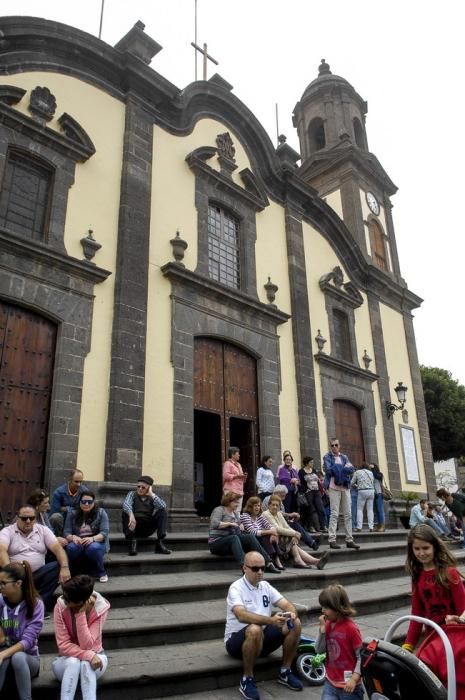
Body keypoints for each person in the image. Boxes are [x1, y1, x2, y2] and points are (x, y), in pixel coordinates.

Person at [224, 550, 303, 700]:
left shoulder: (265, 586)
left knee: (296, 623)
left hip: (262, 637)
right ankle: (247, 679)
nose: (260, 572)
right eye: (255, 569)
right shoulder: (236, 588)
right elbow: (241, 615)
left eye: (263, 568)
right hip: (236, 642)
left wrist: (291, 613)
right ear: (244, 568)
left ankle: (285, 671)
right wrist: (271, 620)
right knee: (254, 628)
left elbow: (286, 604)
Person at [402, 523, 465, 651]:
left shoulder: (449, 572)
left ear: (434, 547)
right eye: (417, 549)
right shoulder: (417, 576)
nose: (421, 553)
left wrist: (459, 621)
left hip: (455, 638)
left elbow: (463, 608)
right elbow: (416, 613)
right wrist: (408, 645)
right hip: (433, 638)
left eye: (426, 548)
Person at [0, 505, 70, 612]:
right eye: (24, 518)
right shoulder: (7, 531)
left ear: (35, 518)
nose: (28, 521)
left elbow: (58, 548)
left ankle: (38, 606)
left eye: (31, 518)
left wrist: (65, 567)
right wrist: (10, 571)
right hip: (16, 575)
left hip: (38, 573)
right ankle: (15, 605)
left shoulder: (43, 530)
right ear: (17, 518)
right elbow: (1, 550)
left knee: (57, 566)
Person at [52, 574, 110, 700]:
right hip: (65, 661)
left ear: (81, 602)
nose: (63, 600)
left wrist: (81, 614)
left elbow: (87, 645)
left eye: (68, 600)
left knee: (85, 664)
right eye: (64, 596)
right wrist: (89, 655)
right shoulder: (60, 606)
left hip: (97, 658)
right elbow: (63, 645)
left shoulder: (100, 608)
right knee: (74, 662)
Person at [0, 561, 44, 700]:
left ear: (18, 583)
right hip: (3, 659)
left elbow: (28, 641)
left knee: (16, 657)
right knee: (5, 659)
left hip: (28, 660)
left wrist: (3, 654)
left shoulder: (36, 605)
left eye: (3, 583)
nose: (0, 587)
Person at [209, 492, 281, 573]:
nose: (238, 504)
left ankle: (268, 563)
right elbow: (214, 524)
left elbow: (238, 531)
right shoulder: (219, 510)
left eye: (238, 502)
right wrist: (230, 524)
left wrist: (240, 526)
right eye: (235, 502)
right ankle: (245, 566)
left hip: (230, 542)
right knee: (234, 538)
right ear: (229, 501)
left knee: (249, 537)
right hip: (216, 543)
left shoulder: (236, 513)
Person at [314, 583, 364, 699]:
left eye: (326, 608)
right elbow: (318, 650)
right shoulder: (327, 625)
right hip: (330, 682)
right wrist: (322, 630)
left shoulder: (351, 628)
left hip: (349, 685)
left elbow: (361, 656)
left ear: (337, 607)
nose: (322, 610)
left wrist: (354, 679)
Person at [262, 496, 328, 569]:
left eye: (277, 505)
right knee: (292, 540)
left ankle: (314, 561)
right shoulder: (266, 514)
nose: (274, 507)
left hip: (282, 539)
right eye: (273, 505)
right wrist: (295, 534)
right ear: (269, 505)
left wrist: (295, 534)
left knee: (293, 540)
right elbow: (277, 529)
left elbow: (286, 526)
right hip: (272, 541)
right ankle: (306, 561)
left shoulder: (279, 514)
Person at [64, 491, 110, 583]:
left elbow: (104, 532)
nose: (86, 504)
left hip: (97, 541)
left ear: (94, 502)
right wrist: (73, 537)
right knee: (71, 547)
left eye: (89, 502)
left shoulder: (101, 513)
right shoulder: (72, 514)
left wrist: (92, 539)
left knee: (93, 548)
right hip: (79, 540)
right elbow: (66, 531)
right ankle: (72, 572)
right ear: (80, 502)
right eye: (83, 501)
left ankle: (101, 572)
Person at [323, 439, 360, 550]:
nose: (334, 447)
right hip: (333, 487)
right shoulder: (327, 457)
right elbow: (328, 471)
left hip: (345, 487)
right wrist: (343, 469)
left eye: (336, 445)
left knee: (348, 514)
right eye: (332, 445)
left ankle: (349, 539)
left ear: (339, 446)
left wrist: (338, 470)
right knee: (334, 513)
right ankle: (332, 539)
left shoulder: (344, 457)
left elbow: (352, 469)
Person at [122, 475, 171, 556]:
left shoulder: (152, 497)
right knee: (125, 511)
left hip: (147, 528)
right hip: (133, 527)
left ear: (149, 488)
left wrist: (152, 494)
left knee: (162, 511)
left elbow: (163, 506)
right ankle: (132, 544)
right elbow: (126, 504)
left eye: (143, 487)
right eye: (138, 486)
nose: (140, 489)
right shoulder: (132, 494)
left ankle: (159, 543)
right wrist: (131, 515)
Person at [262, 485, 319, 550]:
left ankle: (311, 543)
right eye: (282, 496)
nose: (284, 498)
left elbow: (280, 516)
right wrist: (289, 515)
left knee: (295, 524)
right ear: (277, 493)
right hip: (272, 526)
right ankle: (312, 543)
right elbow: (275, 513)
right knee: (295, 527)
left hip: (280, 523)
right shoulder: (269, 499)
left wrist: (290, 518)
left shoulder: (279, 501)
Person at [240, 497, 285, 570]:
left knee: (269, 535)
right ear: (250, 506)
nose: (257, 508)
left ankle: (274, 560)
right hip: (250, 542)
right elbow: (253, 532)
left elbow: (270, 526)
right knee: (266, 535)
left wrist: (273, 533)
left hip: (260, 540)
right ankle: (273, 560)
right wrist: (270, 532)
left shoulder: (259, 516)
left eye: (259, 505)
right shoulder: (245, 516)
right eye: (255, 506)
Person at [50, 469, 89, 538]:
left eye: (81, 482)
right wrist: (75, 508)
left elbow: (86, 509)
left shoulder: (85, 491)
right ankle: (58, 539)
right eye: (76, 482)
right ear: (70, 480)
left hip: (77, 519)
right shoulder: (59, 492)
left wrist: (67, 508)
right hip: (63, 520)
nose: (79, 484)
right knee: (55, 517)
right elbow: (54, 511)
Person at [298, 456, 326, 533]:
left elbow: (318, 481)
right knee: (311, 509)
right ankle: (311, 527)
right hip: (309, 492)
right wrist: (305, 490)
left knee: (320, 508)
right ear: (307, 463)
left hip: (316, 491)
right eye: (311, 462)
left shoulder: (314, 470)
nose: (312, 463)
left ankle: (323, 526)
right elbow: (299, 483)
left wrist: (321, 490)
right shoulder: (301, 471)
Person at [351, 462, 375, 532]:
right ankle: (371, 527)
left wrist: (357, 486)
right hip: (371, 491)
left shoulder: (357, 472)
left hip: (362, 491)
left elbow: (352, 482)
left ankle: (359, 527)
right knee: (370, 510)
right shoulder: (371, 473)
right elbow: (372, 481)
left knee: (359, 509)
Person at [223, 447, 247, 512]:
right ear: (232, 454)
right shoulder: (227, 463)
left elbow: (240, 478)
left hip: (239, 491)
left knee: (238, 510)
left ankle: (236, 522)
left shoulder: (239, 465)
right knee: (230, 509)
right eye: (238, 453)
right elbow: (225, 475)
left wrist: (244, 477)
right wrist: (237, 476)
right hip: (231, 490)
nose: (239, 455)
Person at [369, 463, 385, 532]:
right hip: (373, 494)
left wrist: (372, 469)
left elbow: (376, 476)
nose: (370, 467)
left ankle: (383, 526)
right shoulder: (370, 474)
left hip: (379, 494)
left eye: (372, 466)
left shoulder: (379, 474)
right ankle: (378, 525)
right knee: (376, 511)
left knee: (380, 510)